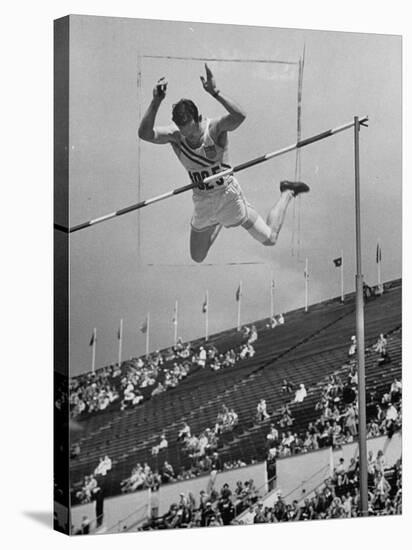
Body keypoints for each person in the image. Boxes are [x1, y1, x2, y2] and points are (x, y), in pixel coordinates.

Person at [138, 64, 310, 263]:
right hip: (202, 200)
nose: (190, 137)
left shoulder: (215, 129)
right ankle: (218, 223)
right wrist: (156, 101)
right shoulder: (176, 136)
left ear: (198, 118)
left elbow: (240, 117)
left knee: (270, 238)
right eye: (184, 132)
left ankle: (287, 192)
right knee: (197, 257)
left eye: (192, 131)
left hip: (229, 197)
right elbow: (144, 134)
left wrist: (215, 92)